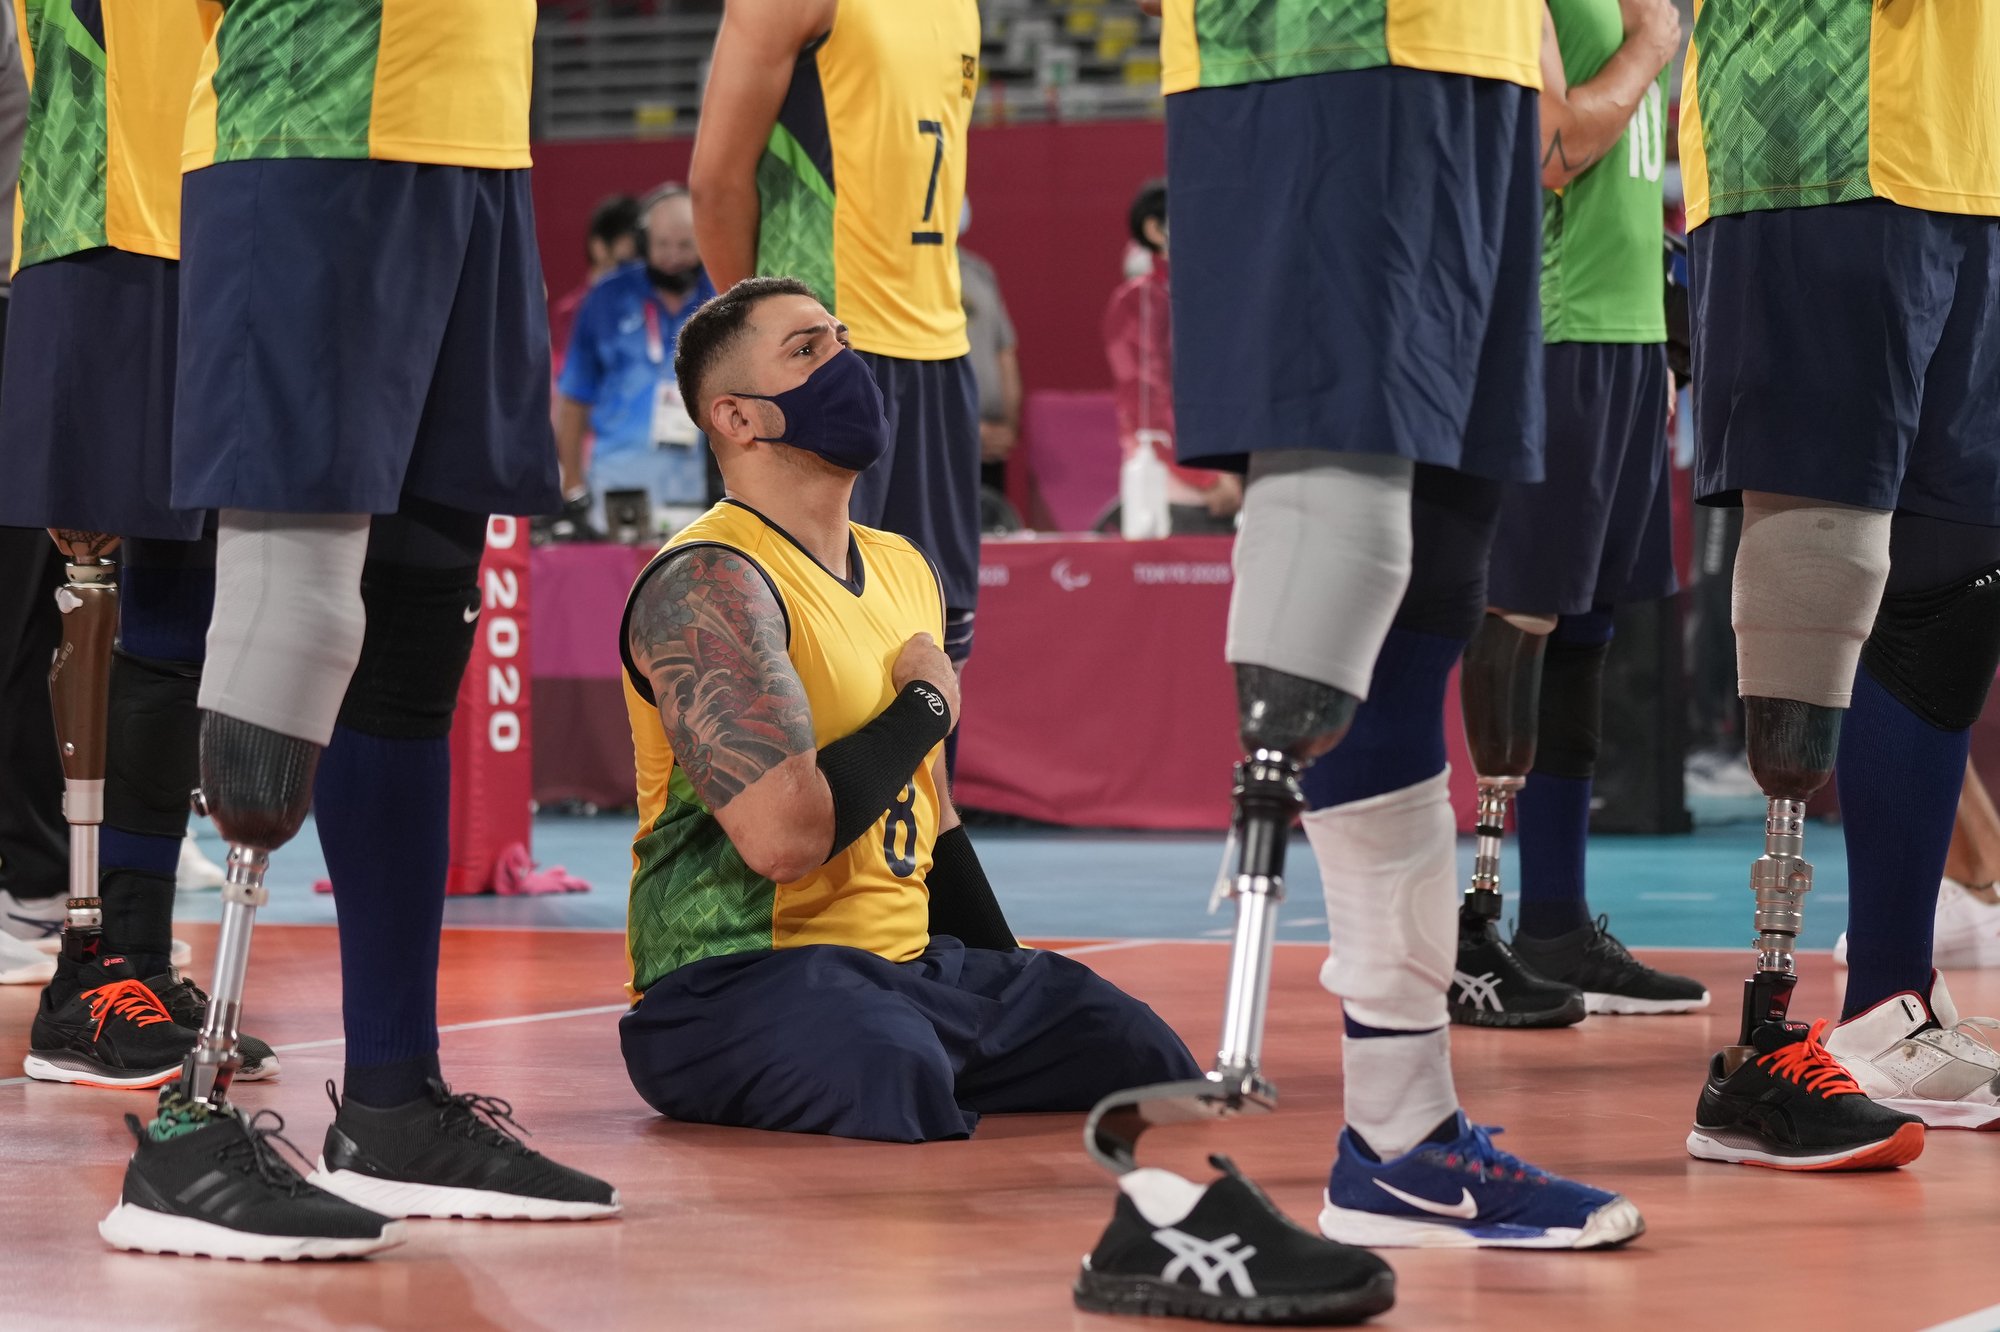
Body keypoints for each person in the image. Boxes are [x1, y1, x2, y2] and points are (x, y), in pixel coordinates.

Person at [1074, 1, 1645, 1322]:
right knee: (1336, 514)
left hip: (1487, 82)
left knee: (1436, 572)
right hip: (1326, 59)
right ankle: (1219, 1139)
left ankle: (1401, 1142)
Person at [99, 0, 617, 1260]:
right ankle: (192, 1120)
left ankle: (392, 1101)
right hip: (311, 128)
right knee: (293, 604)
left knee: (420, 615)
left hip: (477, 147)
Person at [615, 278, 1200, 1142]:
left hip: (906, 967)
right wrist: (926, 702)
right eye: (807, 351)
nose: (844, 364)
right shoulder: (711, 581)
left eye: (841, 342)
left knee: (1142, 1056)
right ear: (736, 418)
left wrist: (1000, 979)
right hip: (734, 983)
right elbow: (785, 839)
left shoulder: (900, 566)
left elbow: (935, 805)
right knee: (897, 1070)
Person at [1679, 0, 2000, 1168]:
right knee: (1822, 551)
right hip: (1812, 144)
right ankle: (1765, 1037)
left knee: (1957, 578)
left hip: (1966, 156)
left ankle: (1885, 1006)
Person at [0, 2, 275, 1089]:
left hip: (221, 222)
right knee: (93, 604)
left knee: (177, 619)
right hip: (104, 233)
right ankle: (87, 971)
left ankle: (136, 958)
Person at [1448, 0, 1705, 1028]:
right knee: (1517, 627)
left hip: (1628, 339)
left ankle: (1553, 922)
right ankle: (1475, 931)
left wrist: (1662, 341)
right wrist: (1650, 47)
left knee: (1588, 638)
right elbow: (1550, 148)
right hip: (1552, 336)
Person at [689, 0, 984, 667]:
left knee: (935, 643)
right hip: (825, 359)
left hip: (940, 351)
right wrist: (766, 340)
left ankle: (925, 780)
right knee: (807, 651)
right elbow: (715, 186)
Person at [555, 184, 717, 540]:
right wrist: (573, 484)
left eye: (685, 245)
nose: (673, 256)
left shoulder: (723, 299)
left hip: (701, 495)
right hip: (618, 485)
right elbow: (573, 399)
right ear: (644, 243)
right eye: (662, 245)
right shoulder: (605, 298)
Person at [1101, 178, 1239, 536]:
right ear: (1155, 229)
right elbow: (1146, 403)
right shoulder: (1138, 302)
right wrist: (1206, 477)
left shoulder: (1212, 298)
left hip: (1235, 489)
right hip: (1177, 499)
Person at [957, 200, 1022, 498]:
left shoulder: (980, 273)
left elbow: (1004, 351)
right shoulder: (906, 276)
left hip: (991, 444)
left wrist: (1008, 426)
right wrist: (962, 427)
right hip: (944, 437)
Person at [548, 192, 642, 357]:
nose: (635, 269)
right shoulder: (569, 314)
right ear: (599, 247)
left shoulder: (648, 308)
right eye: (628, 260)